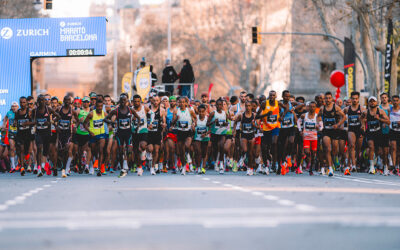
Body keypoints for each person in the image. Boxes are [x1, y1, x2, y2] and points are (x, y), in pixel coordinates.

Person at [362, 96, 390, 174]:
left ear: (377, 102)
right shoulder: (366, 112)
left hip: (379, 133)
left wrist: (379, 119)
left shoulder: (380, 111)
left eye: (373, 101)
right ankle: (371, 167)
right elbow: (361, 118)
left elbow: (388, 122)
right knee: (371, 147)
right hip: (370, 133)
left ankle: (385, 167)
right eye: (370, 101)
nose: (372, 103)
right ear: (368, 103)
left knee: (382, 152)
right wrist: (363, 124)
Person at [343, 91, 365, 175]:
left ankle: (355, 160)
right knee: (351, 145)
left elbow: (367, 116)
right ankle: (354, 165)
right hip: (351, 129)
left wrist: (363, 124)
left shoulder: (362, 108)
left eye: (356, 99)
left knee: (358, 148)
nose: (355, 100)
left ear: (358, 99)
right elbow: (339, 113)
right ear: (351, 99)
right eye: (353, 98)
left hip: (359, 130)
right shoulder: (347, 109)